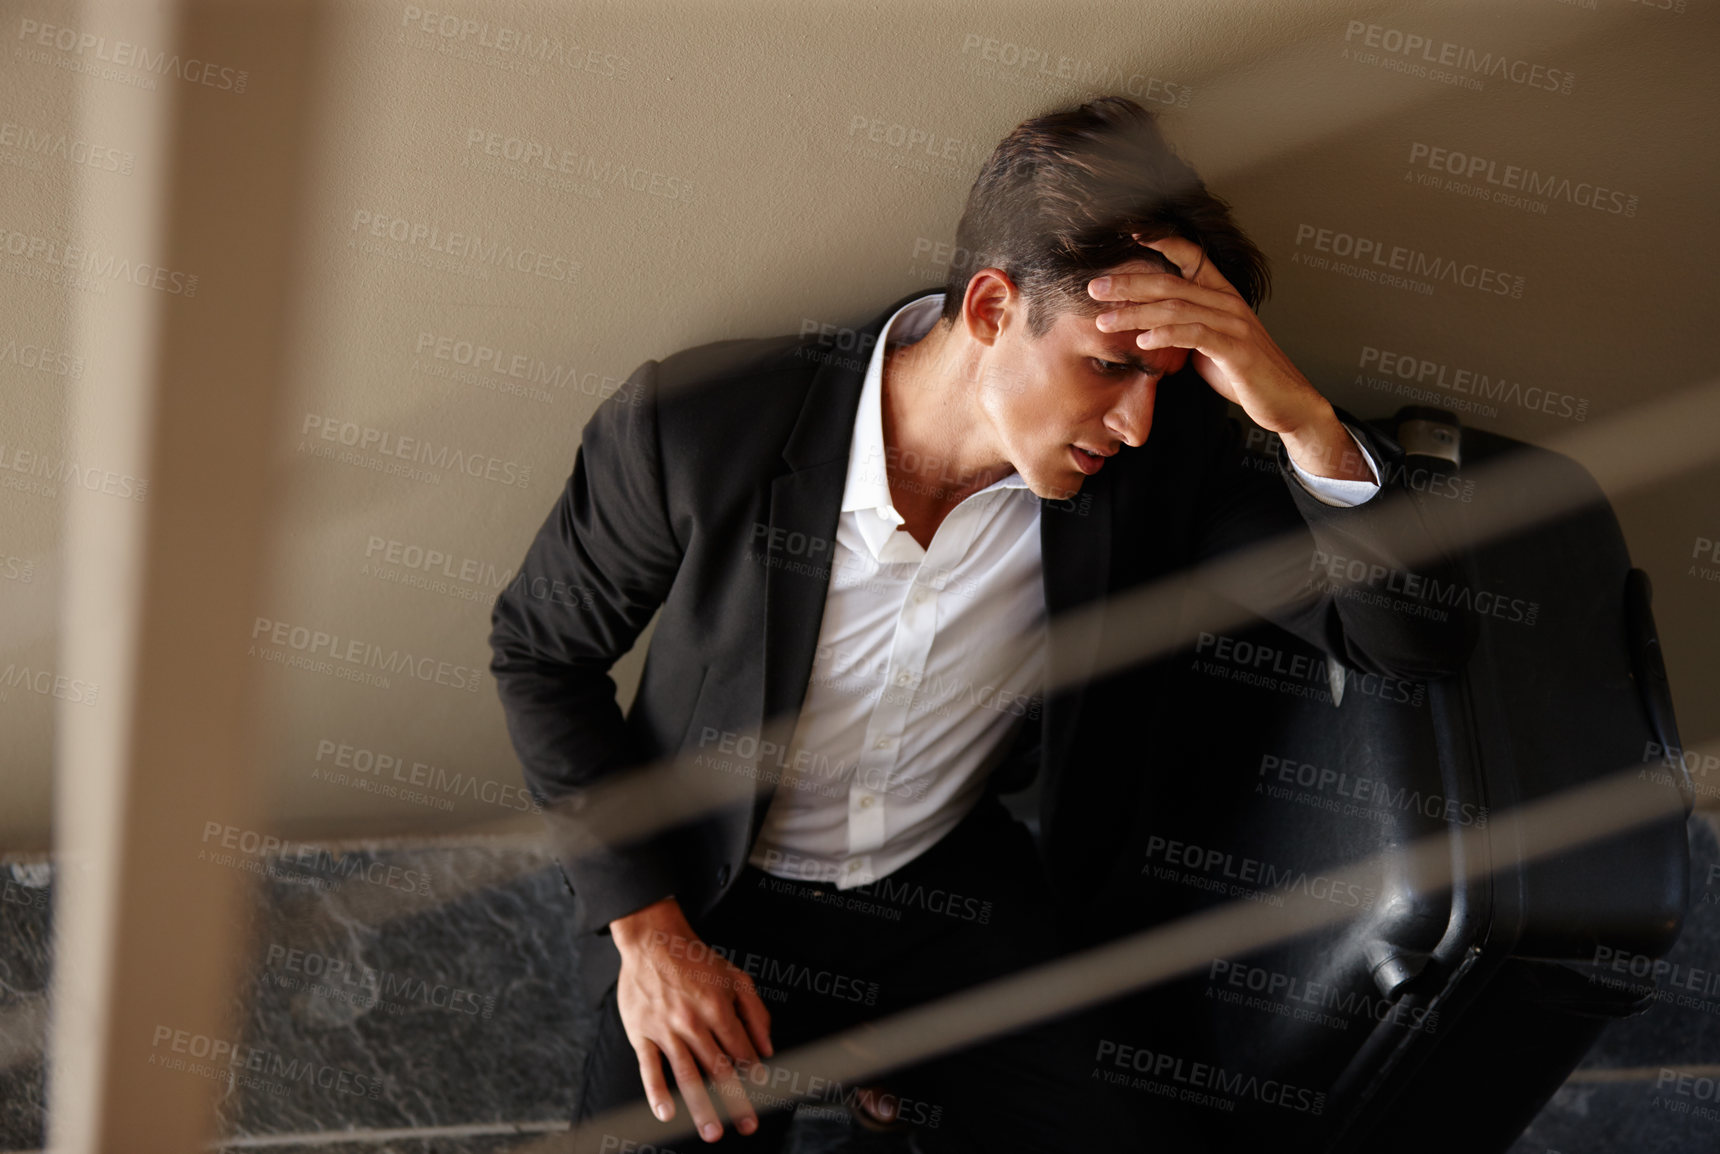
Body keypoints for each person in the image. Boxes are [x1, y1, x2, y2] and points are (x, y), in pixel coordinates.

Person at [487, 95, 1476, 1151]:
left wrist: (1299, 419)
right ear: (995, 307)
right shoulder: (697, 427)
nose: (1134, 420)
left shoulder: (1154, 462)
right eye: (1107, 366)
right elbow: (542, 654)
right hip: (716, 901)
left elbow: (1407, 640)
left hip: (949, 895)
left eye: (1161, 376)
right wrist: (649, 933)